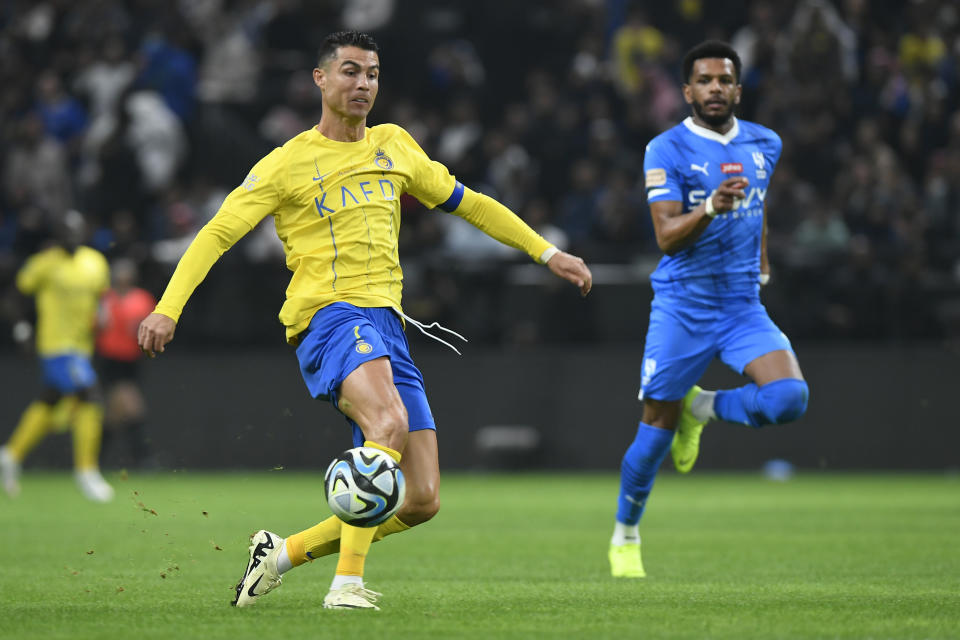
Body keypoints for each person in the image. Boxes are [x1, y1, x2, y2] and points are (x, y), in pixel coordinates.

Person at [137, 31, 592, 610]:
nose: (363, 84)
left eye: (372, 74)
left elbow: (470, 202)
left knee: (421, 499)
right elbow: (218, 232)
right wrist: (167, 307)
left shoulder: (395, 146)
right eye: (350, 71)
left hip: (388, 324)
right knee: (388, 423)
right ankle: (346, 585)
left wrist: (546, 252)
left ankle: (279, 554)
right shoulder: (287, 163)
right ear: (320, 80)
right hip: (329, 317)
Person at [607, 41, 809, 578]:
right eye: (705, 80)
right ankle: (626, 534)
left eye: (725, 80)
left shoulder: (766, 142)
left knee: (790, 397)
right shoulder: (666, 149)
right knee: (652, 434)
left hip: (741, 303)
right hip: (683, 305)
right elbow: (666, 236)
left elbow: (759, 206)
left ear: (738, 90)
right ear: (687, 91)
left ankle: (704, 409)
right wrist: (710, 206)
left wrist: (762, 260)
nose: (715, 88)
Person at [0, 210, 115, 502]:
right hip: (56, 346)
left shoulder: (95, 262)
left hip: (81, 347)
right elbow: (13, 298)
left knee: (50, 400)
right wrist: (22, 328)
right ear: (57, 235)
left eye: (76, 232)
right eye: (66, 232)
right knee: (91, 396)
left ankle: (11, 454)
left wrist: (102, 314)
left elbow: (101, 298)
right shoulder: (44, 263)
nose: (71, 237)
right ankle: (86, 470)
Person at [96, 258, 158, 469]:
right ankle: (144, 458)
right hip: (111, 360)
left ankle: (95, 460)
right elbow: (96, 325)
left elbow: (150, 325)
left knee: (115, 414)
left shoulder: (142, 299)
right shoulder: (105, 299)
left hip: (132, 360)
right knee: (132, 406)